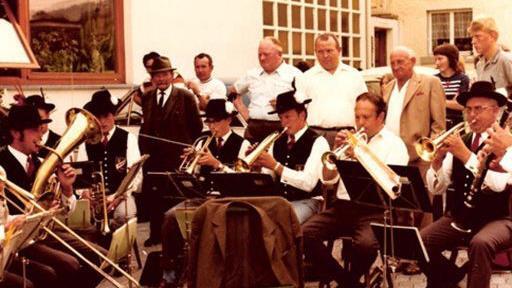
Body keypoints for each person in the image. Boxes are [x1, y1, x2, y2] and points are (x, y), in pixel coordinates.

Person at [302, 93, 409, 287]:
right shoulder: (349, 141)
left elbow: (391, 185)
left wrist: (360, 154)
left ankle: (347, 282)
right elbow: (328, 180)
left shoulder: (395, 144)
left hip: (377, 209)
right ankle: (349, 282)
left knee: (366, 245)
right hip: (343, 207)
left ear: (381, 117)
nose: (360, 123)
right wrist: (335, 151)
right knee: (304, 234)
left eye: (366, 117)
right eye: (357, 116)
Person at [420, 81, 512, 288]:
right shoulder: (464, 139)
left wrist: (464, 154)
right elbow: (437, 188)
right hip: (461, 216)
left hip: (499, 218)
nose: (472, 115)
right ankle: (451, 279)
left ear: (496, 111)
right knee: (419, 243)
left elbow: (497, 184)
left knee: (481, 243)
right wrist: (436, 163)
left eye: (479, 109)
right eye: (468, 109)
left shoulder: (503, 143)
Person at [159, 99, 250, 288]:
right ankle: (170, 273)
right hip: (202, 196)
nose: (212, 126)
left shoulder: (243, 144)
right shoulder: (202, 141)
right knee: (170, 217)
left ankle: (202, 273)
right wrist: (190, 164)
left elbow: (243, 179)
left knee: (201, 223)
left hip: (228, 200)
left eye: (216, 121)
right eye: (209, 122)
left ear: (228, 121)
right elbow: (192, 176)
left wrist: (216, 164)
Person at [0, 105, 83, 287]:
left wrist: (67, 189)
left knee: (95, 255)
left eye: (41, 129)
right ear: (15, 133)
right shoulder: (2, 164)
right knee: (67, 266)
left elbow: (65, 213)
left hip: (44, 234)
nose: (40, 136)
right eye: (34, 130)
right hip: (19, 241)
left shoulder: (40, 163)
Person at [139, 56, 203, 246]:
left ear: (172, 75)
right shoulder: (147, 97)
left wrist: (186, 151)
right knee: (154, 198)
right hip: (152, 158)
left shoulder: (186, 97)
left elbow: (197, 128)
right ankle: (155, 234)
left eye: (165, 74)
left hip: (176, 157)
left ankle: (176, 238)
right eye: (157, 75)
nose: (161, 79)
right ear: (152, 77)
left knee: (174, 198)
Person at [253, 90, 329, 224]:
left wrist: (276, 166)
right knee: (252, 218)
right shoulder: (276, 141)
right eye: (281, 118)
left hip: (307, 201)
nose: (283, 123)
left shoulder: (318, 142)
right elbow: (269, 179)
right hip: (278, 201)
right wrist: (258, 166)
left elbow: (308, 184)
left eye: (288, 117)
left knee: (284, 222)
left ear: (302, 115)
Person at [79, 89, 141, 227]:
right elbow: (82, 174)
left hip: (121, 195)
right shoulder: (86, 141)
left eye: (106, 116)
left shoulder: (128, 138)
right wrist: (85, 193)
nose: (102, 122)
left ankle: (121, 247)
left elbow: (135, 175)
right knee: (80, 220)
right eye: (97, 117)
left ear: (114, 115)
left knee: (126, 215)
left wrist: (117, 197)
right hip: (95, 198)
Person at [382, 46, 446, 178]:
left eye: (400, 62)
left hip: (418, 157)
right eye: (392, 63)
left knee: (420, 197)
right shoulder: (388, 88)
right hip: (390, 156)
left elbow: (438, 125)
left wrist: (428, 155)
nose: (395, 66)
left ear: (412, 61)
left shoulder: (430, 83)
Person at [294, 33, 368, 147]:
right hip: (315, 136)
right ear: (315, 52)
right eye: (320, 51)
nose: (325, 55)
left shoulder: (354, 75)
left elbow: (364, 107)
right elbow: (300, 112)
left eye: (329, 51)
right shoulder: (305, 78)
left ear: (339, 50)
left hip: (347, 135)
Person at [229, 36, 302, 143]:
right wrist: (242, 109)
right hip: (253, 128)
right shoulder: (252, 74)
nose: (262, 58)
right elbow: (233, 90)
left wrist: (285, 105)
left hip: (280, 128)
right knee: (247, 158)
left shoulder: (294, 74)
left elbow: (304, 104)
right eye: (259, 54)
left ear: (279, 54)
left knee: (277, 159)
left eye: (266, 54)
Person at [468, 16, 512, 97]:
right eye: (472, 37)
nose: (473, 41)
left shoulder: (506, 60)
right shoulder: (479, 64)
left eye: (478, 36)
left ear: (492, 36)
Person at [433, 44, 470, 128]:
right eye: (435, 59)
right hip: (437, 125)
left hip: (456, 125)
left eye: (440, 59)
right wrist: (451, 102)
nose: (437, 63)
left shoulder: (463, 78)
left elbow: (461, 105)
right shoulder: (434, 79)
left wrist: (440, 101)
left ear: (450, 58)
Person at [24, 94, 61, 158]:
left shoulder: (60, 141)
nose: (37, 124)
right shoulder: (23, 142)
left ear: (48, 115)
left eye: (40, 118)